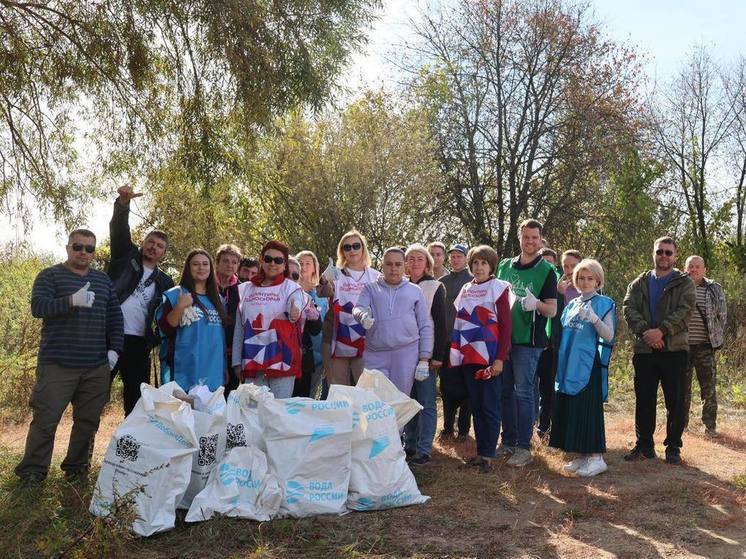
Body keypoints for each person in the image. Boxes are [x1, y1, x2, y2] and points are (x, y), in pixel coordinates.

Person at [16, 229, 124, 485]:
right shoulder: (50, 275)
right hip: (57, 365)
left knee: (88, 422)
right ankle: (32, 471)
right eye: (78, 247)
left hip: (96, 366)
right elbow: (38, 307)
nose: (84, 252)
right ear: (68, 248)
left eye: (89, 248)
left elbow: (115, 317)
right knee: (46, 420)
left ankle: (77, 468)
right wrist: (71, 301)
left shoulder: (103, 281)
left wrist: (114, 350)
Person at [622, 236, 695, 464]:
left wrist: (661, 331)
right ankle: (644, 446)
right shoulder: (639, 282)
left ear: (675, 256)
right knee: (644, 400)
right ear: (653, 253)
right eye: (660, 251)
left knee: (676, 401)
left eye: (668, 253)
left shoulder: (684, 283)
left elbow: (685, 311)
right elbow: (628, 307)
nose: (664, 256)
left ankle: (673, 447)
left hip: (674, 350)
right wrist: (647, 332)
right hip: (645, 350)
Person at [107, 184, 173, 416]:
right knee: (94, 395)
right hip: (107, 337)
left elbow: (165, 317)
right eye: (151, 243)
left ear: (163, 254)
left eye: (160, 247)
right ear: (143, 243)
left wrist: (153, 341)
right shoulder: (124, 257)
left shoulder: (165, 281)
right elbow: (119, 230)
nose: (154, 248)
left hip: (138, 344)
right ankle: (84, 451)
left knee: (136, 404)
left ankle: (127, 451)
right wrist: (123, 204)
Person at [496, 219, 558, 467]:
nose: (530, 242)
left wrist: (536, 305)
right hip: (503, 340)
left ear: (540, 239)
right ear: (520, 238)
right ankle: (508, 441)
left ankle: (524, 446)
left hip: (528, 341)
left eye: (535, 237)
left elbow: (552, 310)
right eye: (526, 237)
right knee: (504, 392)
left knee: (523, 392)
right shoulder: (504, 266)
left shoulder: (546, 271)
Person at [549, 259, 616, 477]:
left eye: (590, 278)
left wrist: (595, 319)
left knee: (588, 410)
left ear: (598, 280)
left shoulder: (604, 303)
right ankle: (582, 455)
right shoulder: (572, 304)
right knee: (574, 410)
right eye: (581, 278)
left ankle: (596, 458)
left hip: (588, 367)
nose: (585, 282)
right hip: (569, 365)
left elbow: (609, 335)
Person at [450, 245, 512, 473]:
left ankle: (489, 455)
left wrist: (500, 359)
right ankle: (480, 453)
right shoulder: (466, 288)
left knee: (489, 406)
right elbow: (459, 322)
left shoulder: (499, 288)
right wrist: (455, 354)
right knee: (476, 405)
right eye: (475, 263)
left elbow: (506, 327)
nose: (479, 267)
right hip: (469, 356)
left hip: (490, 357)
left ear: (491, 266)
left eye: (483, 263)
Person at [232, 241, 319, 398]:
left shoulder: (291, 287)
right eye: (268, 259)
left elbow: (297, 300)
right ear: (261, 260)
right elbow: (240, 327)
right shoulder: (246, 289)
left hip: (282, 360)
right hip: (253, 360)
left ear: (285, 264)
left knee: (278, 413)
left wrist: (295, 310)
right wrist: (236, 362)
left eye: (278, 260)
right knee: (254, 412)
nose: (273, 263)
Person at [352, 247, 433, 396]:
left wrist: (424, 359)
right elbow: (358, 308)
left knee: (399, 403)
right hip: (375, 354)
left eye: (398, 264)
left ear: (405, 266)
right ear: (382, 265)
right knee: (372, 402)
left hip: (405, 354)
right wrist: (362, 316)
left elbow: (425, 326)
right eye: (389, 264)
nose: (393, 269)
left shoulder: (415, 291)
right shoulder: (370, 289)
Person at [157, 250, 228, 393]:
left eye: (205, 264)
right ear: (188, 268)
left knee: (211, 415)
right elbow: (165, 328)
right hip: (183, 371)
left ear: (211, 268)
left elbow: (221, 337)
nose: (201, 267)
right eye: (195, 264)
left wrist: (224, 366)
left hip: (214, 371)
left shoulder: (218, 299)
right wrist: (180, 306)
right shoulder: (175, 294)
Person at [403, 244, 448, 466]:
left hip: (426, 355)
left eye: (419, 258)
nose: (414, 262)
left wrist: (437, 356)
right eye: (410, 258)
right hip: (403, 354)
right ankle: (409, 444)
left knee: (426, 401)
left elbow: (441, 324)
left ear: (427, 262)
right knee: (408, 401)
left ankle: (424, 448)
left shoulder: (434, 286)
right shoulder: (400, 285)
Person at [317, 230, 380, 386]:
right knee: (340, 393)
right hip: (337, 339)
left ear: (363, 249)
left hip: (366, 340)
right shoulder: (336, 274)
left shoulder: (376, 276)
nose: (352, 250)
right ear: (342, 251)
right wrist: (324, 280)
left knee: (366, 390)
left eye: (356, 246)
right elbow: (323, 293)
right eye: (347, 247)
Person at [682, 255, 726, 437]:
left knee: (708, 388)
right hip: (681, 347)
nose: (693, 269)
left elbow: (722, 316)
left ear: (704, 269)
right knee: (680, 389)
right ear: (685, 268)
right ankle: (680, 425)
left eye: (697, 266)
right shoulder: (678, 286)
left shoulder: (714, 288)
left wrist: (714, 336)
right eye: (690, 266)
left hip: (704, 346)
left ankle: (710, 427)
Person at [438, 243, 474, 441]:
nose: (455, 259)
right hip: (446, 342)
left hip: (467, 342)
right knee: (446, 386)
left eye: (459, 256)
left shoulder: (473, 281)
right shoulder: (442, 282)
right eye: (452, 256)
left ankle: (463, 430)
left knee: (466, 385)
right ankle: (447, 427)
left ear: (466, 258)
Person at [293, 251, 329, 398]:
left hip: (317, 358)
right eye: (300, 263)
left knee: (309, 399)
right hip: (291, 355)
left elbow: (327, 326)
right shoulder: (289, 290)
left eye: (308, 263)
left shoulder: (322, 294)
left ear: (314, 268)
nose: (303, 266)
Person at [535, 247, 563, 438]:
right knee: (535, 389)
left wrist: (559, 293)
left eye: (550, 262)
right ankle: (539, 426)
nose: (547, 266)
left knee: (550, 390)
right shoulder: (535, 280)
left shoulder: (563, 284)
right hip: (536, 342)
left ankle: (549, 428)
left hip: (555, 345)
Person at [215, 244, 242, 396]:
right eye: (225, 261)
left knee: (229, 395)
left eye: (234, 262)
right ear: (217, 262)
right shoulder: (205, 285)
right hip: (210, 349)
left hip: (232, 351)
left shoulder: (242, 289)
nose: (230, 265)